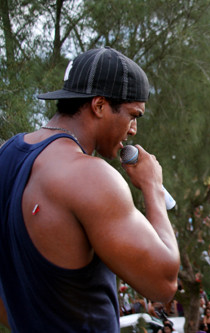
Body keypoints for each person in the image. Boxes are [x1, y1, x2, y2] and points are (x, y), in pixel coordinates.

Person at [0, 47, 180, 331]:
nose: (133, 129)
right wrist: (152, 187)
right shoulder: (90, 176)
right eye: (133, 115)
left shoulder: (6, 155)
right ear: (99, 106)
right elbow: (164, 284)